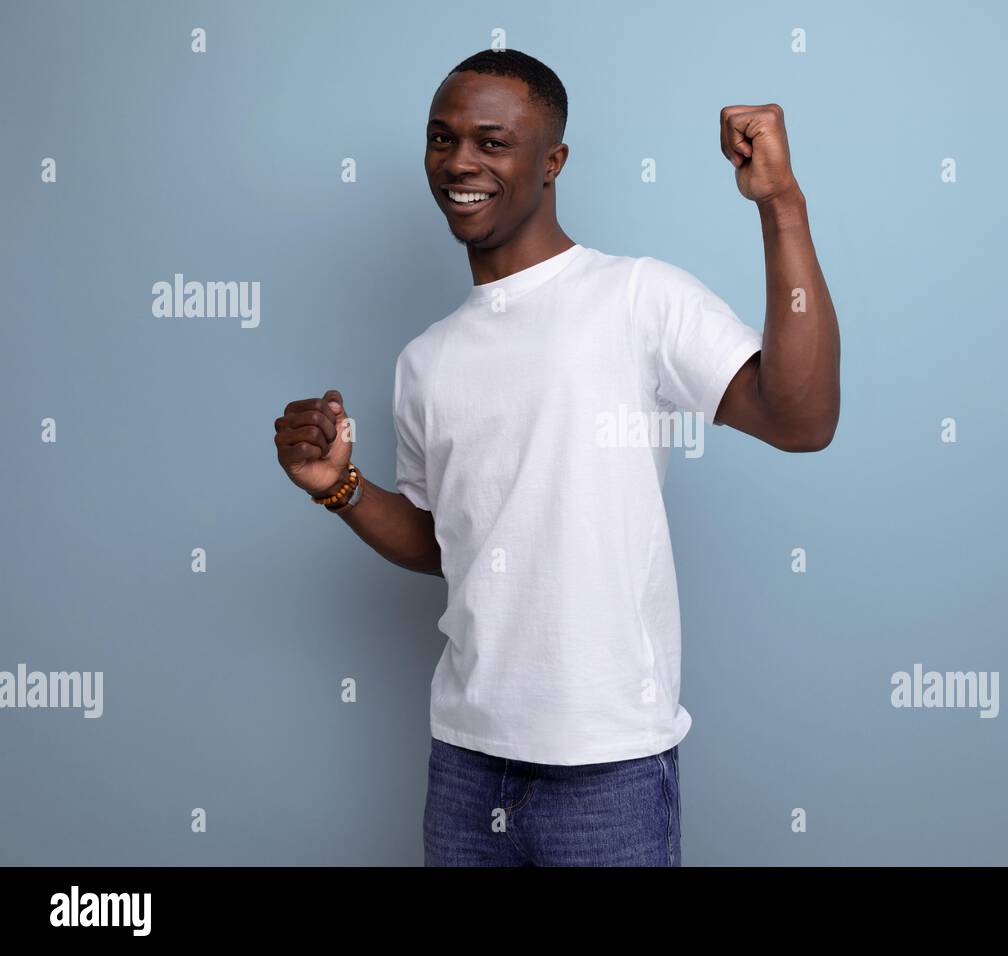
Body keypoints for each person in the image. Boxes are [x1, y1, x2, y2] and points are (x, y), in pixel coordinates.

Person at [273, 49, 839, 866]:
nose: (460, 161)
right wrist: (342, 489)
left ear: (553, 161)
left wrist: (781, 204)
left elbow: (803, 417)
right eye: (442, 138)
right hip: (465, 762)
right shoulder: (424, 360)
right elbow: (451, 544)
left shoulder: (637, 297)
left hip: (607, 769)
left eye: (493, 142)